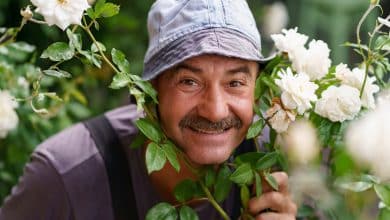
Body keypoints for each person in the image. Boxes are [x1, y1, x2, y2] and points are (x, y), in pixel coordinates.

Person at [0, 0, 297, 219]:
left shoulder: (276, 162)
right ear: (151, 89)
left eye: (235, 82)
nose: (216, 111)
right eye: (189, 81)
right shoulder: (66, 174)